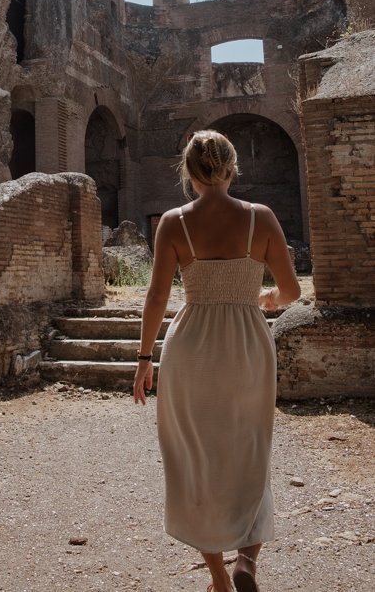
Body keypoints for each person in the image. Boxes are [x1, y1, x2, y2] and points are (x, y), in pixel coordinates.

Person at [133, 130, 300, 592]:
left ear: (188, 173)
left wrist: (145, 358)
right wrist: (263, 296)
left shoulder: (173, 221)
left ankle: (219, 578)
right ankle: (247, 561)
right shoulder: (260, 218)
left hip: (191, 347)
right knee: (250, 450)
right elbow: (291, 292)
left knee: (194, 455)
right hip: (247, 343)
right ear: (231, 168)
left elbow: (156, 296)